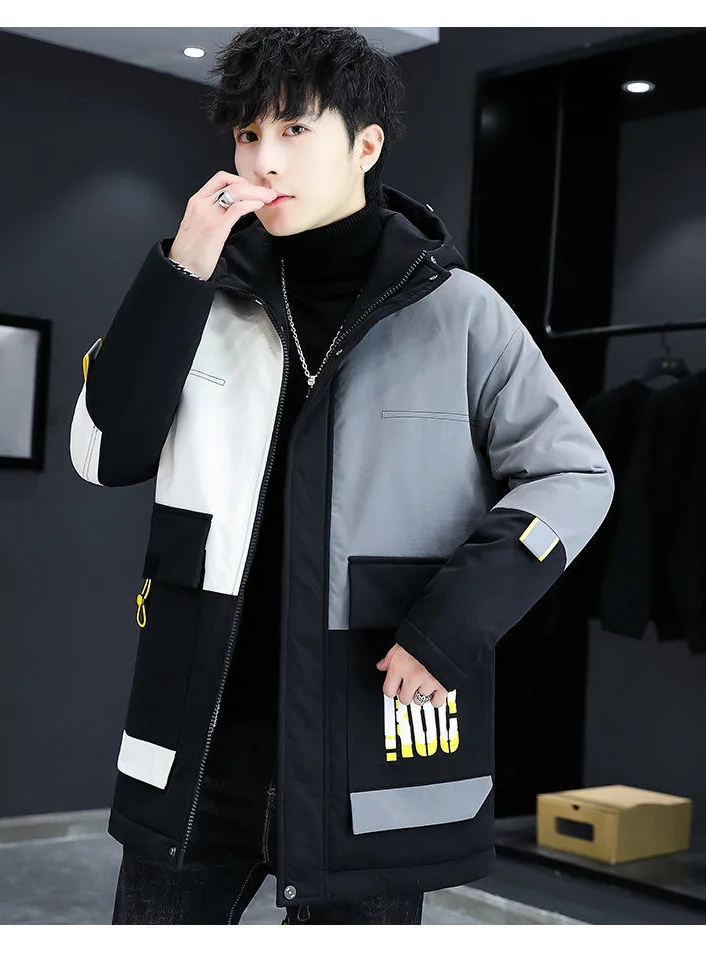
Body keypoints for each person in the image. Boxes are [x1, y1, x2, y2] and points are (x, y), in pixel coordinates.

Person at [69, 27, 614, 925]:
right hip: (203, 741)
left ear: (366, 145)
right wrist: (182, 267)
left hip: (369, 729)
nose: (264, 159)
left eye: (293, 129)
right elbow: (103, 453)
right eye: (247, 134)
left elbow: (573, 473)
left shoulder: (459, 313)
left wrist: (453, 623)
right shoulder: (195, 296)